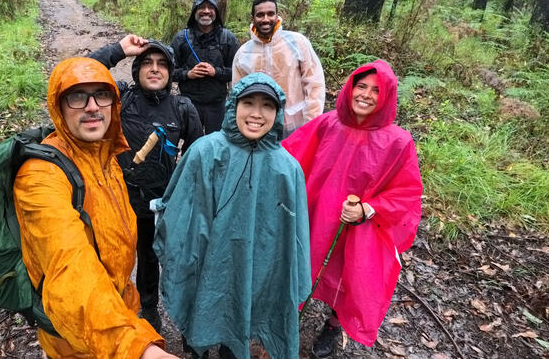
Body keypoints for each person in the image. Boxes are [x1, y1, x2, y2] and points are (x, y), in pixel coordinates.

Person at [12, 57, 179, 359]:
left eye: (101, 95)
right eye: (77, 96)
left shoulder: (105, 156)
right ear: (58, 106)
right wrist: (137, 348)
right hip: (79, 341)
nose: (92, 107)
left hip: (120, 310)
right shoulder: (40, 175)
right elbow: (72, 269)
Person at [153, 73, 311, 359]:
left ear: (277, 113)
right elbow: (180, 216)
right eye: (248, 103)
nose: (256, 114)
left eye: (267, 106)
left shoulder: (287, 169)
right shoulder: (205, 152)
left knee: (237, 330)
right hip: (205, 264)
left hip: (253, 273)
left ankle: (232, 346)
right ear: (233, 105)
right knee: (199, 320)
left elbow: (293, 237)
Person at [282, 60, 423, 358]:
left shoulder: (398, 142)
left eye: (376, 90)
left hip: (359, 227)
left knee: (349, 274)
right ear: (350, 88)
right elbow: (292, 155)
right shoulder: (328, 123)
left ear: (387, 96)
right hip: (316, 215)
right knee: (303, 262)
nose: (366, 95)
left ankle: (334, 324)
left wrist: (367, 209)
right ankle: (288, 315)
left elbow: (405, 194)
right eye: (361, 86)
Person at [88, 35, 203, 331]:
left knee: (152, 256)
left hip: (160, 202)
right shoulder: (119, 99)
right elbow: (80, 73)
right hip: (118, 197)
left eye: (162, 64)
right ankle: (115, 307)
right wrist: (118, 50)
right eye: (147, 63)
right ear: (136, 69)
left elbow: (197, 158)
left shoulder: (182, 107)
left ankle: (154, 309)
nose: (154, 69)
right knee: (112, 254)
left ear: (171, 72)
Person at [232, 0, 325, 136]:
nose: (265, 19)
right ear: (253, 18)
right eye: (260, 15)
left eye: (270, 14)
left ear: (277, 16)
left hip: (297, 125)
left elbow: (314, 84)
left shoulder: (297, 43)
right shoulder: (244, 53)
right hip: (259, 126)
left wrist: (311, 124)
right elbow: (237, 93)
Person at [170, 0, 240, 134]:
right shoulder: (181, 38)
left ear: (216, 12)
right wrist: (188, 74)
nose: (206, 11)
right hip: (188, 104)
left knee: (216, 143)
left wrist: (216, 72)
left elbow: (238, 72)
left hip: (217, 105)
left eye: (211, 7)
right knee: (191, 143)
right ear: (194, 11)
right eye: (201, 7)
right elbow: (168, 72)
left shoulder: (228, 39)